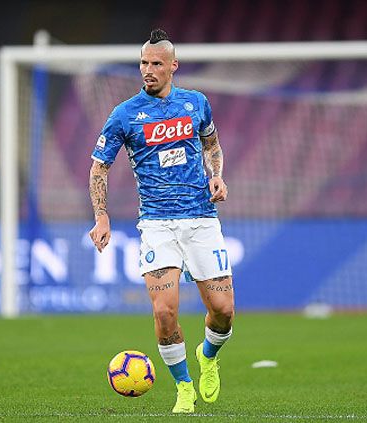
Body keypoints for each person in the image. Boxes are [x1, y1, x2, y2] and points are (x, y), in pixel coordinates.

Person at [88, 29, 234, 413]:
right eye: (143, 63)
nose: (148, 70)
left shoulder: (196, 104)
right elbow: (99, 168)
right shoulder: (124, 115)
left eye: (156, 63)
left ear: (173, 66)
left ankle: (209, 356)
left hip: (202, 219)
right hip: (157, 225)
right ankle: (184, 385)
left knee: (223, 311)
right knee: (164, 312)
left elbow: (212, 145)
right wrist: (101, 217)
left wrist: (216, 174)